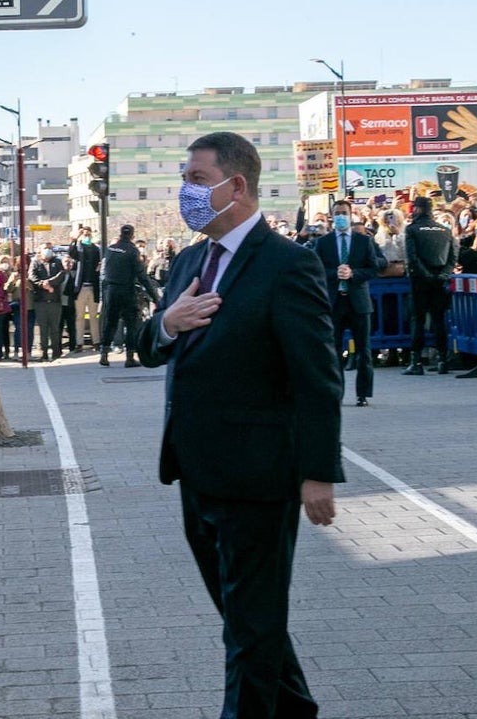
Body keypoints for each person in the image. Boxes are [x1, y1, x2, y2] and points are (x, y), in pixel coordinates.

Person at [136, 132, 342, 719]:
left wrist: (318, 473)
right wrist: (168, 325)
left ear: (237, 186)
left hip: (260, 477)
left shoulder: (287, 265)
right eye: (186, 180)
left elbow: (318, 379)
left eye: (197, 181)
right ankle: (295, 708)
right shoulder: (186, 262)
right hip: (195, 471)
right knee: (246, 616)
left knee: (248, 629)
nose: (187, 192)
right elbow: (149, 347)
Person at [314, 200, 386, 406]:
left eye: (344, 213)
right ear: (332, 216)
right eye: (337, 213)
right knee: (333, 350)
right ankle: (336, 393)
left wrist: (353, 273)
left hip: (358, 302)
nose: (341, 216)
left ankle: (363, 394)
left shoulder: (363, 241)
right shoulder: (324, 242)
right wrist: (334, 274)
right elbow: (317, 270)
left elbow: (374, 268)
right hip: (335, 301)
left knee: (364, 349)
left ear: (350, 215)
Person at [402, 196, 456, 376]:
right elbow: (452, 258)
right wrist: (442, 275)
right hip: (440, 280)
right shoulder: (445, 230)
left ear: (417, 209)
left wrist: (426, 275)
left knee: (417, 319)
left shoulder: (412, 229)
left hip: (419, 280)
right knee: (439, 319)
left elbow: (412, 257)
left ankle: (416, 361)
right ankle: (442, 360)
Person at [98, 223, 157, 367]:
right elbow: (142, 276)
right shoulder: (132, 251)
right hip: (126, 290)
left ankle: (104, 354)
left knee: (110, 322)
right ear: (132, 235)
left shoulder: (110, 249)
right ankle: (130, 357)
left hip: (111, 290)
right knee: (131, 323)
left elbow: (105, 271)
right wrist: (155, 296)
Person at [28, 245, 65, 361]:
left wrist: (49, 283)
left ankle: (56, 352)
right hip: (40, 301)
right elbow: (32, 276)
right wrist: (42, 284)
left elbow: (61, 275)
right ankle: (44, 353)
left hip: (55, 301)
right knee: (43, 329)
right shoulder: (35, 263)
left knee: (55, 328)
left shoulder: (57, 262)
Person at [68, 225, 102, 350]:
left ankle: (96, 342)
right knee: (79, 316)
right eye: (85, 234)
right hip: (81, 288)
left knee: (94, 316)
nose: (87, 235)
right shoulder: (78, 248)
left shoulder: (96, 249)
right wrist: (75, 239)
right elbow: (71, 252)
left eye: (88, 233)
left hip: (93, 287)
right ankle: (79, 343)